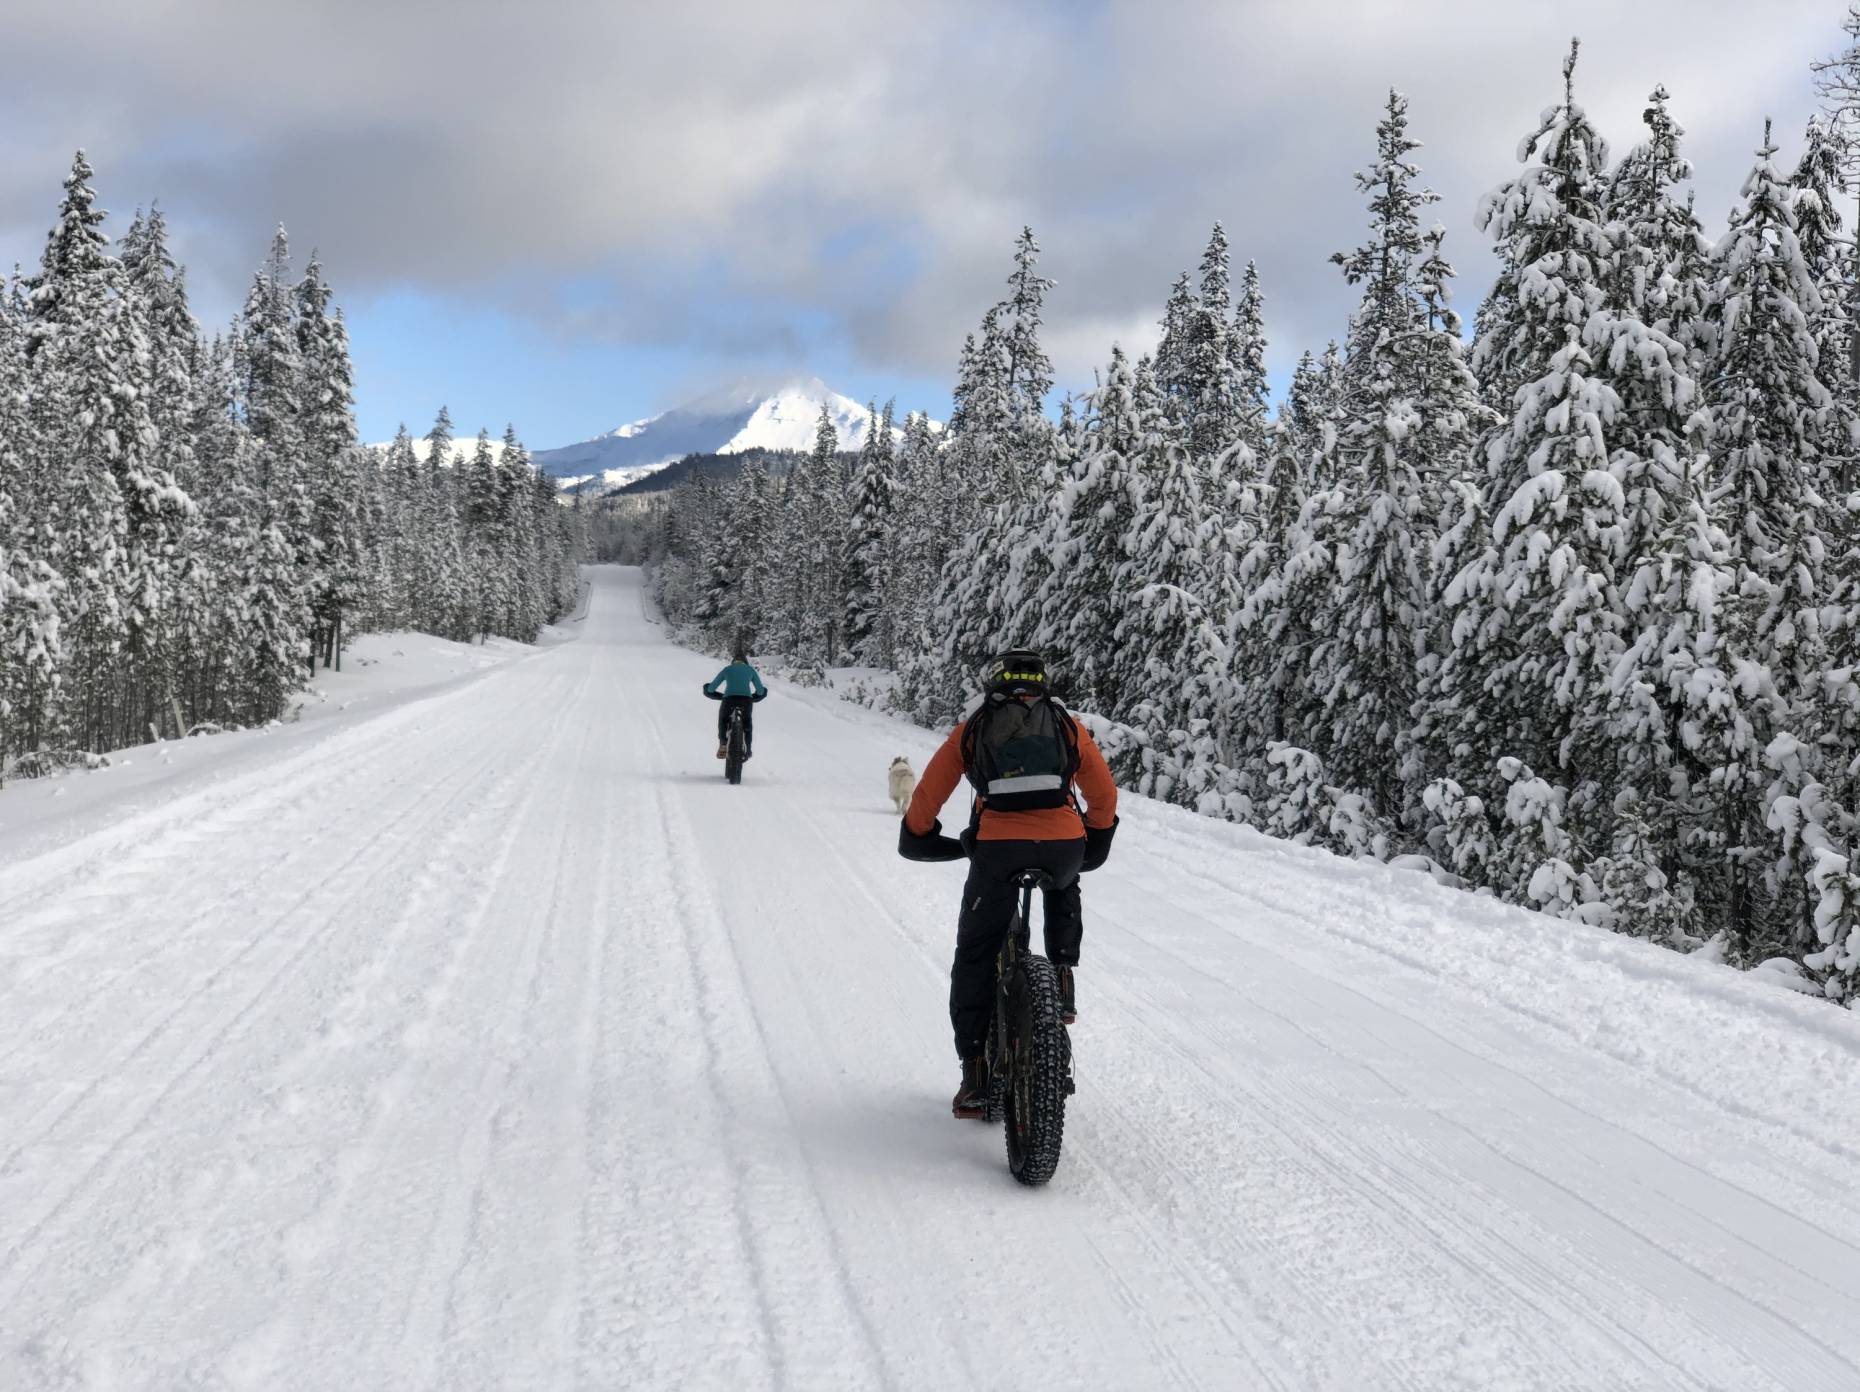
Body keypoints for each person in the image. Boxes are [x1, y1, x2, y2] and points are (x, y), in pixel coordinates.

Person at [897, 649, 1118, 1119]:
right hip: (1062, 844)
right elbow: (1103, 792)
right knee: (1064, 880)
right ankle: (1061, 975)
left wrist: (918, 834)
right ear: (1043, 684)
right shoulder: (1065, 724)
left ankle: (975, 1072)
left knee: (976, 954)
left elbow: (930, 791)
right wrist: (1096, 837)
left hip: (997, 849)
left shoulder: (976, 726)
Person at [703, 648, 767, 758]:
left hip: (728, 699)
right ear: (745, 662)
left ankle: (723, 744)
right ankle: (748, 749)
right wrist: (756, 695)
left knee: (723, 719)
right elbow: (761, 691)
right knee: (747, 723)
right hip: (746, 700)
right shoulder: (750, 670)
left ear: (733, 661)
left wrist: (709, 689)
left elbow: (711, 689)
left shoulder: (727, 669)